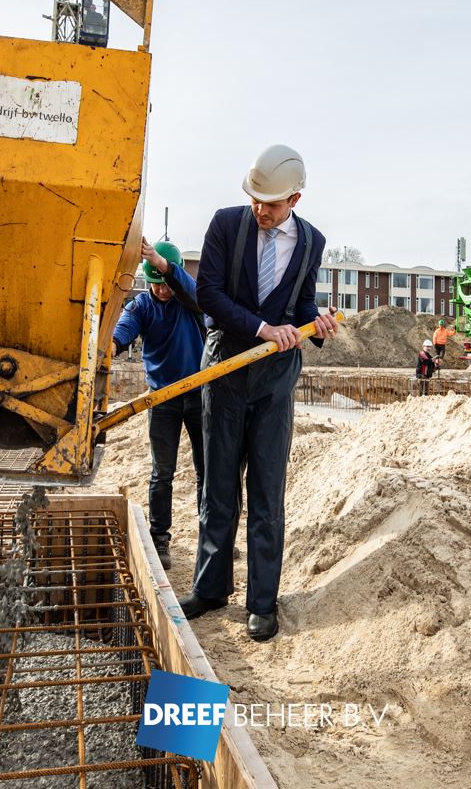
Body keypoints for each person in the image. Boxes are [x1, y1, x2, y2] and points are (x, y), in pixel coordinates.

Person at [178, 144, 338, 642]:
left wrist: (316, 322)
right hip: (226, 365)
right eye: (254, 199)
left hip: (275, 380)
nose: (259, 209)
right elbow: (210, 296)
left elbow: (302, 301)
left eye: (270, 203)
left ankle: (262, 602)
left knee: (267, 490)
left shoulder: (312, 241)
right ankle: (210, 588)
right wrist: (263, 327)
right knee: (218, 485)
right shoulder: (227, 224)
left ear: (295, 198)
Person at [111, 238, 205, 569]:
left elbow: (193, 291)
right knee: (162, 472)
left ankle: (212, 538)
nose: (162, 291)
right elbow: (124, 328)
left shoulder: (190, 302)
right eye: (155, 284)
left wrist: (168, 271)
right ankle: (160, 538)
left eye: (166, 283)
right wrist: (112, 346)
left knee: (208, 470)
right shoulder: (141, 307)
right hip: (162, 398)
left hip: (198, 394)